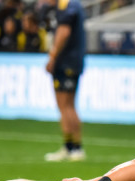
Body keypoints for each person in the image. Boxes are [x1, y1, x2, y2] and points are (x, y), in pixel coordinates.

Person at [43, 0, 86, 162]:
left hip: (66, 61)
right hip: (74, 61)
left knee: (64, 105)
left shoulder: (65, 4)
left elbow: (64, 31)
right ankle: (74, 146)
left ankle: (72, 148)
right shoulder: (74, 4)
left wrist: (52, 56)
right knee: (70, 105)